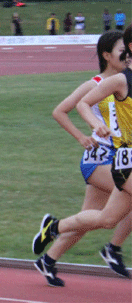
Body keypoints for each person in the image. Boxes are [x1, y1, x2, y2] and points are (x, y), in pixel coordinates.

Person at [32, 25, 132, 281]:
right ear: (106, 55)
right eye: (121, 51)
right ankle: (113, 249)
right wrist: (84, 135)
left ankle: (49, 257)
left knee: (94, 220)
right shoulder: (97, 83)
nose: (125, 57)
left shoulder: (125, 82)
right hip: (99, 160)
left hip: (117, 157)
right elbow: (60, 110)